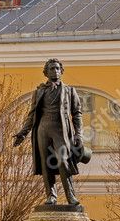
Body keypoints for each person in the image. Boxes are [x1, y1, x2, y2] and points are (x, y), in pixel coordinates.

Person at [13, 59, 90, 206]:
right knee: (46, 163)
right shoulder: (39, 92)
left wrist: (78, 134)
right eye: (51, 69)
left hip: (61, 129)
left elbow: (77, 113)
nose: (54, 71)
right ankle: (51, 196)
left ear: (61, 71)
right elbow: (32, 115)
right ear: (46, 72)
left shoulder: (69, 91)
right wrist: (23, 133)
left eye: (57, 68)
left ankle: (70, 196)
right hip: (43, 129)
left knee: (64, 162)